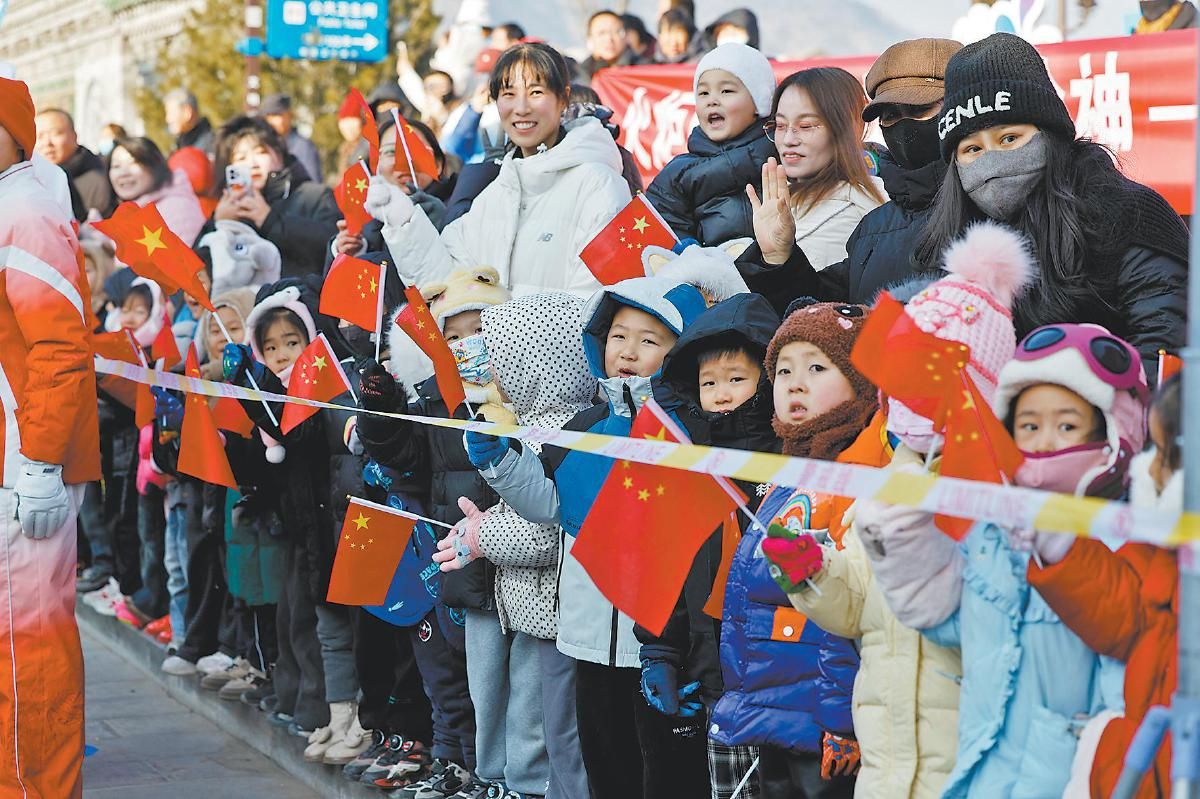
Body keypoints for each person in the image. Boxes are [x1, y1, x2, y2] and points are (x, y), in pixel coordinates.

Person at [762, 222, 1035, 799]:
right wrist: (813, 573)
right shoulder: (890, 479)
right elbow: (858, 605)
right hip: (887, 768)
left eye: (921, 380)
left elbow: (983, 622)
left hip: (964, 765)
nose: (904, 400)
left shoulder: (1002, 492)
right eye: (898, 381)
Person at [858, 275, 1144, 795]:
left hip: (1071, 781)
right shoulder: (997, 528)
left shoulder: (1126, 533)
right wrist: (904, 547)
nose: (1045, 441)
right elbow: (958, 629)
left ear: (1111, 429)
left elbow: (1129, 658)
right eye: (1029, 426)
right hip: (981, 776)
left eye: (1067, 425)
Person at [464, 276, 708, 799]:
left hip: (658, 648)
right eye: (618, 336)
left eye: (649, 340)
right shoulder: (586, 427)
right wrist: (503, 463)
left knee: (660, 774)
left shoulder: (688, 431)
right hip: (588, 637)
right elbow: (553, 505)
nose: (628, 351)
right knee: (604, 766)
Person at [917, 32, 1188, 367]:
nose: (991, 160)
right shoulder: (946, 239)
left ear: (1050, 136)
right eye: (972, 149)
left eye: (1010, 138)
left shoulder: (1129, 214)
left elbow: (1163, 346)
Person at [356, 268, 516, 795]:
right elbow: (404, 456)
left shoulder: (519, 397)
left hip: (510, 562)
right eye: (453, 335)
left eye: (479, 329)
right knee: (447, 669)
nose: (466, 345)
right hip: (450, 561)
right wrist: (381, 411)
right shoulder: (433, 401)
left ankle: (492, 774)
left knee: (498, 682)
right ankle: (455, 760)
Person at [434, 292, 599, 799]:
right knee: (513, 707)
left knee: (538, 719)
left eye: (500, 358)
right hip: (528, 605)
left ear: (533, 365)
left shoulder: (567, 435)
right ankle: (508, 783)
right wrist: (481, 526)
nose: (491, 371)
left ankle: (527, 788)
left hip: (552, 611)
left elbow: (550, 531)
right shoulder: (536, 427)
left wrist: (483, 536)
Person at [712, 301, 873, 799]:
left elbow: (845, 618)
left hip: (819, 729)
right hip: (775, 712)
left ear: (863, 380)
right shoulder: (792, 475)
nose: (794, 384)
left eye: (817, 368)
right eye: (783, 370)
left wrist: (841, 722)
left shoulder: (858, 478)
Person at [634, 292, 780, 799]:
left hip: (785, 682)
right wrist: (659, 651)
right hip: (714, 679)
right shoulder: (688, 466)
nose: (720, 394)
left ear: (768, 379)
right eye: (709, 382)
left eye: (736, 379)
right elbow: (669, 568)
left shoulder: (793, 461)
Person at [0, 75, 101, 799]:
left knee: (26, 649)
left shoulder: (25, 210)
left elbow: (60, 347)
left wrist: (38, 461)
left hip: (22, 466)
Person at [366, 42, 631, 298]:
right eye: (509, 94)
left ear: (563, 98)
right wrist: (405, 223)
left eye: (536, 92)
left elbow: (596, 300)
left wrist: (494, 316)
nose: (521, 108)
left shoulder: (599, 184)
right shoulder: (495, 195)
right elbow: (447, 283)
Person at [1025, 373, 1180, 799]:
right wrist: (1061, 546)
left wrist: (1107, 750)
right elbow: (1127, 610)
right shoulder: (1164, 548)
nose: (1151, 470)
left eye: (1166, 455)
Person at [736, 38, 961, 317]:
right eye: (890, 115)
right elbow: (824, 314)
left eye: (918, 110)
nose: (789, 139)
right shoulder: (872, 228)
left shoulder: (988, 203)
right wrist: (779, 258)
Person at [746, 69, 887, 275]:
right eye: (780, 125)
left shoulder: (866, 210)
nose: (788, 140)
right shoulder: (774, 202)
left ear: (845, 129)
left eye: (806, 126)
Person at [646, 42, 777, 247]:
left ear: (760, 101)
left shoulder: (785, 154)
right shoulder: (677, 174)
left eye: (726, 91)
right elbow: (662, 240)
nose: (712, 101)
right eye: (703, 93)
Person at [209, 115, 340, 278]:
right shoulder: (226, 209)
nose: (252, 164)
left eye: (261, 152)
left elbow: (333, 246)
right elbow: (197, 269)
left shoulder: (315, 196)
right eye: (241, 158)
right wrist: (219, 224)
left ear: (279, 155)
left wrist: (271, 221)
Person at [108, 136, 206, 246]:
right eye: (116, 166)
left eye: (133, 163)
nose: (123, 173)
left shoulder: (177, 208)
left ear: (154, 165)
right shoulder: (132, 211)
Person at [35, 107, 115, 218]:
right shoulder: (32, 179)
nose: (47, 143)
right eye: (39, 136)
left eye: (56, 133)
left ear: (74, 136)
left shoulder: (99, 178)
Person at [261, 93, 324, 184]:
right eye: (267, 117)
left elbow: (313, 184)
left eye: (276, 115)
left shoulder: (303, 147)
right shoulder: (264, 146)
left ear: (289, 115)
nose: (271, 122)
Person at [574, 10, 646, 83]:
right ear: (590, 39)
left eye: (616, 32)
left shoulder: (644, 70)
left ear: (625, 37)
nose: (609, 39)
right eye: (602, 33)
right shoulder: (577, 79)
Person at [164, 88, 216, 155]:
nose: (168, 119)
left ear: (187, 112)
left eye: (171, 113)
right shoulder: (179, 148)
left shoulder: (211, 147)